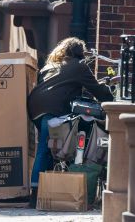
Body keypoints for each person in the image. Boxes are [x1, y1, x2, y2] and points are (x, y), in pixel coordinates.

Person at [27, 37, 113, 207]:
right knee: (45, 150)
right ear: (79, 53)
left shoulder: (50, 66)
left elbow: (61, 86)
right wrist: (110, 98)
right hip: (52, 108)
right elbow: (96, 89)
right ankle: (35, 196)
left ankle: (44, 190)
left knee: (48, 149)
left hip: (35, 108)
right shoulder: (79, 66)